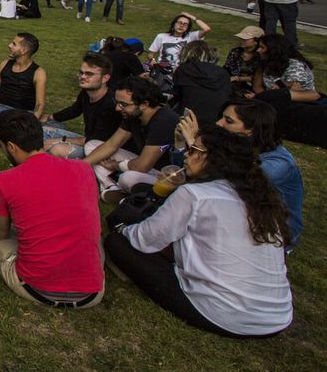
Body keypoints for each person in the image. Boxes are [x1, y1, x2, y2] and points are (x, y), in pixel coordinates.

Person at [104, 125, 292, 337]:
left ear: (214, 159)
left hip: (226, 315)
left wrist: (123, 228)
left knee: (116, 243)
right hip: (277, 317)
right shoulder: (260, 198)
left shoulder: (196, 194)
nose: (186, 154)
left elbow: (144, 240)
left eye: (194, 150)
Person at [0, 110, 103, 309]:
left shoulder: (4, 181)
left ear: (12, 147)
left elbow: (0, 233)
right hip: (92, 292)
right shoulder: (83, 169)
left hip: (37, 287)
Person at [213, 99, 303, 249]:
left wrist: (197, 147)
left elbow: (225, 183)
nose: (218, 123)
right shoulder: (236, 146)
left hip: (274, 232)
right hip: (240, 214)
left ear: (251, 130)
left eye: (228, 121)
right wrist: (181, 145)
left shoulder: (277, 165)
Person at [82, 76, 179, 201]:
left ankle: (125, 191)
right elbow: (112, 144)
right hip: (141, 163)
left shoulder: (164, 121)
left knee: (128, 178)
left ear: (144, 104)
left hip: (164, 175)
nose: (117, 108)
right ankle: (112, 188)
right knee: (93, 146)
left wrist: (115, 165)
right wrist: (79, 165)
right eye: (116, 103)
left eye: (123, 104)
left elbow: (143, 166)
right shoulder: (132, 115)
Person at [41, 52, 120, 159]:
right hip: (87, 140)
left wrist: (61, 139)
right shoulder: (86, 93)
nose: (83, 77)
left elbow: (96, 140)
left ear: (105, 78)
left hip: (101, 150)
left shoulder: (111, 105)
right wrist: (50, 117)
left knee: (57, 149)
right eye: (81, 72)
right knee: (42, 131)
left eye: (89, 74)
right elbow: (74, 110)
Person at [170, 40, 230, 126]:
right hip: (218, 121)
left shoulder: (183, 70)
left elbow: (176, 97)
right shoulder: (223, 73)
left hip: (191, 121)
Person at [146, 12, 211, 74]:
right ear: (174, 24)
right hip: (163, 70)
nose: (181, 25)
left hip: (183, 72)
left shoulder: (191, 36)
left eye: (185, 24)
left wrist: (193, 17)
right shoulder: (161, 36)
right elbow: (151, 54)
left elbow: (206, 29)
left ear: (188, 27)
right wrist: (152, 60)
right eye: (179, 22)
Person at [223, 25, 264, 93]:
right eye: (241, 38)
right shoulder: (235, 52)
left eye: (245, 39)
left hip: (252, 88)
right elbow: (226, 68)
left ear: (256, 41)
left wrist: (238, 78)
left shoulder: (261, 56)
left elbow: (261, 78)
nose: (241, 41)